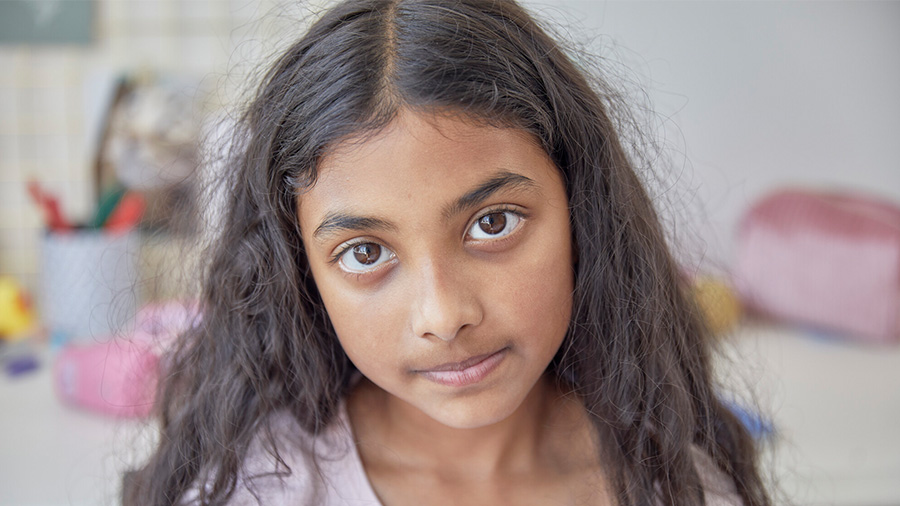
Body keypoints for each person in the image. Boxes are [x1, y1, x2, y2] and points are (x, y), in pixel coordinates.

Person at [124, 0, 771, 505]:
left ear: (582, 213)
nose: (442, 314)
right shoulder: (261, 489)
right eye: (363, 252)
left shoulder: (670, 483)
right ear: (300, 273)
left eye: (493, 223)